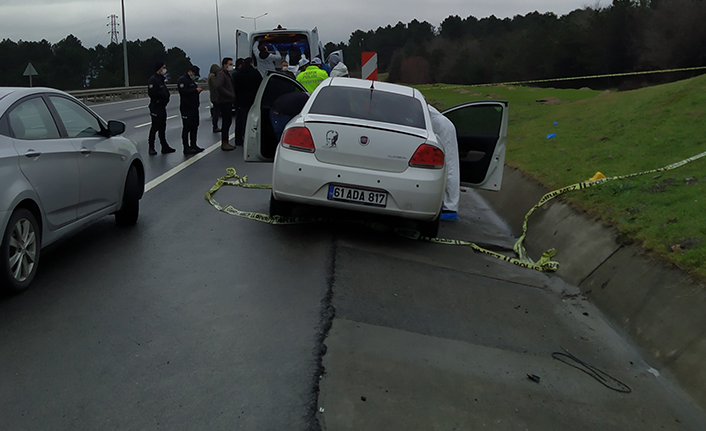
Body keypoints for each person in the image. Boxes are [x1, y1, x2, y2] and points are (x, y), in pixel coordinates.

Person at [428, 105, 460, 221]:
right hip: (442, 127)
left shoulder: (414, 105)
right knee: (449, 165)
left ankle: (450, 207)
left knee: (450, 165)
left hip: (443, 130)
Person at [147, 60, 176, 155]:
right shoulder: (153, 80)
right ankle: (151, 147)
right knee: (155, 127)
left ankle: (164, 146)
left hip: (162, 107)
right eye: (163, 67)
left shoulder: (161, 79)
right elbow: (152, 93)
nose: (165, 69)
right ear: (159, 69)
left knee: (162, 127)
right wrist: (161, 97)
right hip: (156, 107)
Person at [233, 57, 262, 146]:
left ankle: (238, 140)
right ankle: (250, 139)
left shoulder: (238, 74)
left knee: (240, 121)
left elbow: (235, 88)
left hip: (241, 101)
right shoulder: (255, 73)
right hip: (253, 101)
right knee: (252, 121)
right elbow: (260, 86)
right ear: (251, 63)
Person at [177, 65, 205, 155]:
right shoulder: (183, 80)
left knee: (194, 126)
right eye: (195, 74)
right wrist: (195, 91)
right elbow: (183, 92)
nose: (195, 76)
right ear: (190, 72)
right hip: (186, 108)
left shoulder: (191, 81)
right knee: (187, 127)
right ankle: (186, 147)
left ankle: (193, 145)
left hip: (194, 107)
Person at [214, 57, 236, 151]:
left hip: (227, 101)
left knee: (228, 121)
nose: (231, 66)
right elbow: (219, 86)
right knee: (226, 122)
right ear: (224, 65)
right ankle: (224, 142)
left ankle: (226, 141)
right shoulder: (221, 74)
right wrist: (230, 95)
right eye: (230, 64)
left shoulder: (227, 74)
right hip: (224, 101)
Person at [207, 64, 221, 133]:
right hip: (215, 97)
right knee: (216, 112)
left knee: (216, 112)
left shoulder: (210, 75)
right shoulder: (212, 76)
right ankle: (215, 126)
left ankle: (215, 126)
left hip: (213, 96)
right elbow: (216, 85)